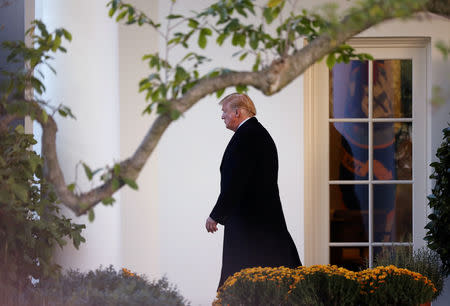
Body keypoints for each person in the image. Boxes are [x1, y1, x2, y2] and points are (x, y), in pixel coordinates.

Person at [205, 93, 302, 290]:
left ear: (237, 112)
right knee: (268, 281)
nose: (222, 117)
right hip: (259, 224)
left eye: (224, 112)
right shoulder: (255, 133)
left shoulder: (247, 137)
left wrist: (216, 215)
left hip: (251, 226)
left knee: (248, 285)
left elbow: (235, 181)